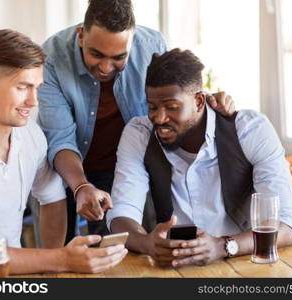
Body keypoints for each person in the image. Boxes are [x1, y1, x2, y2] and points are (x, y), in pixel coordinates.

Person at [0, 29, 127, 276]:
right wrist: (61, 259)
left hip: (12, 279)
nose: (33, 101)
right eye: (22, 87)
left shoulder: (31, 135)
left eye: (37, 88)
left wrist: (51, 273)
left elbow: (52, 199)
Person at [37, 0, 235, 242]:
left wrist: (205, 104)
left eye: (119, 57)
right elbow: (60, 138)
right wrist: (81, 186)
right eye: (96, 54)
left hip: (123, 168)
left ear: (132, 40)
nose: (106, 67)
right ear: (81, 36)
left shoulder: (152, 46)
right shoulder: (52, 57)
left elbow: (176, 96)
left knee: (115, 251)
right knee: (64, 254)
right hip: (63, 167)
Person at [107, 49, 292, 267]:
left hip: (242, 263)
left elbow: (287, 224)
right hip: (173, 271)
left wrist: (223, 246)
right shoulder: (140, 134)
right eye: (152, 107)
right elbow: (121, 214)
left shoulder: (249, 130)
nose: (159, 118)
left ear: (199, 101)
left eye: (171, 107)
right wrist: (148, 244)